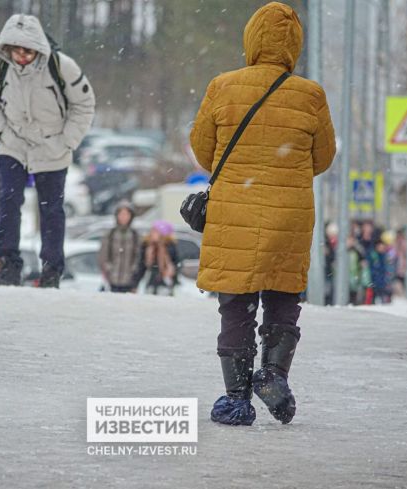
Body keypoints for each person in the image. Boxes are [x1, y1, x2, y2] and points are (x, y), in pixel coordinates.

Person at [190, 2, 336, 426]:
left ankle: (236, 398)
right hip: (288, 214)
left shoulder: (222, 86)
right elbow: (323, 157)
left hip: (234, 212)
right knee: (283, 297)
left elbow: (202, 150)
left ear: (250, 40)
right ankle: (273, 373)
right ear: (295, 45)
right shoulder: (310, 95)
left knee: (235, 304)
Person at [0, 14, 95, 287]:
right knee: (8, 202)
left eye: (27, 50)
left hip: (52, 146)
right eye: (16, 49)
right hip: (13, 143)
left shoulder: (62, 66)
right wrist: (2, 131)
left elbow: (85, 104)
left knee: (51, 209)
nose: (21, 56)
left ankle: (51, 270)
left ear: (38, 47)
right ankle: (8, 265)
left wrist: (67, 141)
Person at [98, 201, 141, 293]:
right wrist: (108, 270)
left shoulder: (135, 235)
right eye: (121, 214)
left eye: (126, 214)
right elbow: (103, 255)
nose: (124, 217)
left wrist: (134, 273)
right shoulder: (111, 234)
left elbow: (138, 256)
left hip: (129, 281)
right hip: (112, 280)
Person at [134, 220, 179, 296]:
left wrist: (173, 280)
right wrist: (135, 283)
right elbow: (142, 266)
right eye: (152, 230)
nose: (152, 233)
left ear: (163, 234)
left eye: (156, 231)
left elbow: (176, 265)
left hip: (165, 282)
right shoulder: (147, 246)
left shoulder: (170, 246)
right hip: (150, 281)